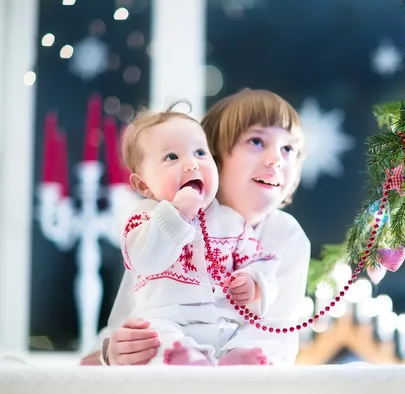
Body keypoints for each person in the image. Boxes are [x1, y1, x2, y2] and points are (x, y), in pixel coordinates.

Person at [80, 89, 310, 366]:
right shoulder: (162, 220)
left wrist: (254, 287)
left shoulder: (286, 234)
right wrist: (110, 351)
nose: (277, 159)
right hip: (168, 353)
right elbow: (128, 317)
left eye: (289, 149)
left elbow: (277, 330)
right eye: (257, 141)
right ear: (215, 156)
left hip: (238, 372)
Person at [116, 102, 280, 366]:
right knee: (151, 338)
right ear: (143, 184)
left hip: (224, 324)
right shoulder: (143, 217)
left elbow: (262, 261)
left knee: (262, 331)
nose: (192, 164)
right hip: (168, 320)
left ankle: (236, 359)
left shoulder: (230, 221)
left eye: (200, 152)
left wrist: (253, 281)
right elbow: (144, 259)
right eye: (172, 157)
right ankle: (187, 359)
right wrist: (176, 215)